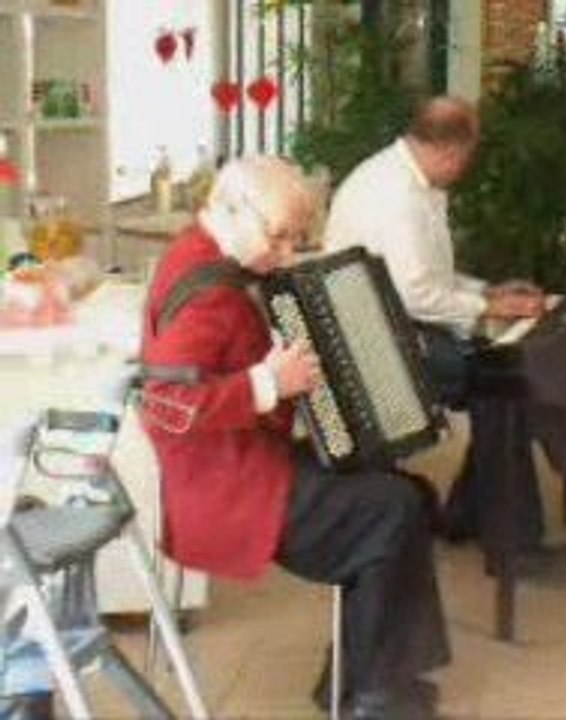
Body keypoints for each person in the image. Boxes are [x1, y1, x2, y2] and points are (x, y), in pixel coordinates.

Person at [140, 156, 449, 720]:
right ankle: (375, 698)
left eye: (295, 241)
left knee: (399, 490)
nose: (284, 256)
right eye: (279, 237)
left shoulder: (201, 248)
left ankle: (366, 680)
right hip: (227, 490)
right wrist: (266, 384)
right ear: (231, 209)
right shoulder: (210, 292)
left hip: (240, 463)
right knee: (394, 508)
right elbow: (163, 408)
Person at [324, 96, 548, 550]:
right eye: (468, 157)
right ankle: (510, 539)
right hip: (374, 346)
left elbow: (429, 278)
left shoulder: (407, 178)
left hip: (394, 324)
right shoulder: (398, 196)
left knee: (503, 381)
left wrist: (487, 293)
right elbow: (416, 295)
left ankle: (475, 516)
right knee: (501, 382)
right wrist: (488, 309)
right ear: (452, 151)